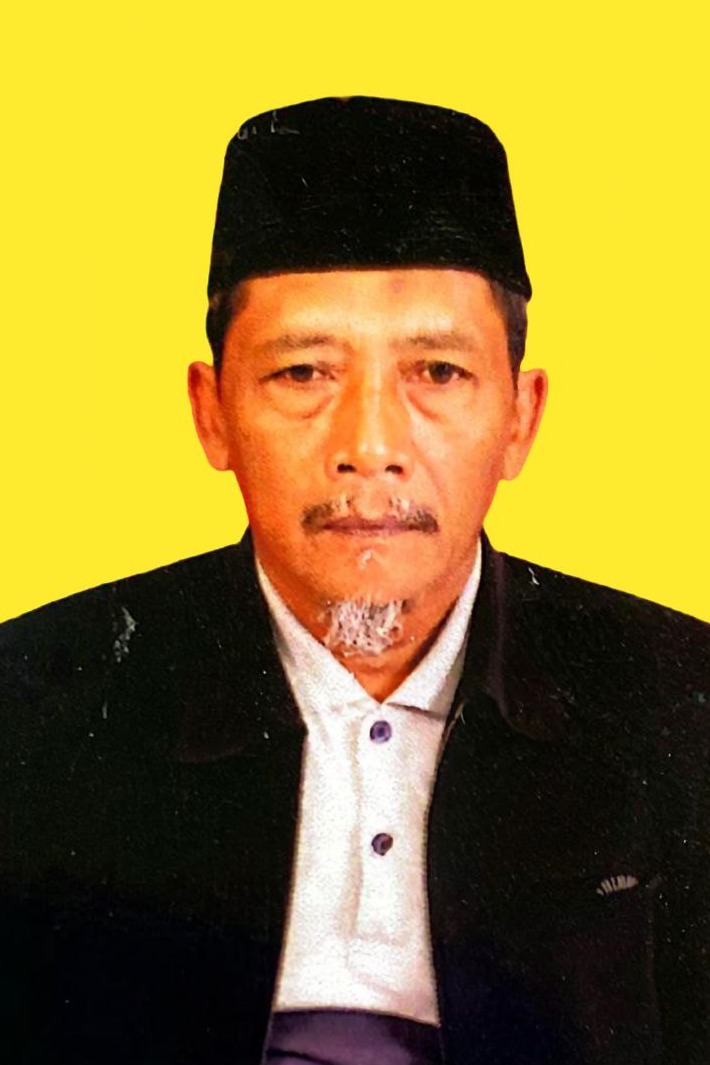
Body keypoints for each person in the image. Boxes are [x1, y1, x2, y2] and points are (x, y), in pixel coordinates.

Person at [0, 97, 707, 1065]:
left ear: (520, 418)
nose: (369, 446)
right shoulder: (33, 706)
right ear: (212, 412)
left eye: (438, 373)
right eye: (302, 374)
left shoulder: (681, 707)